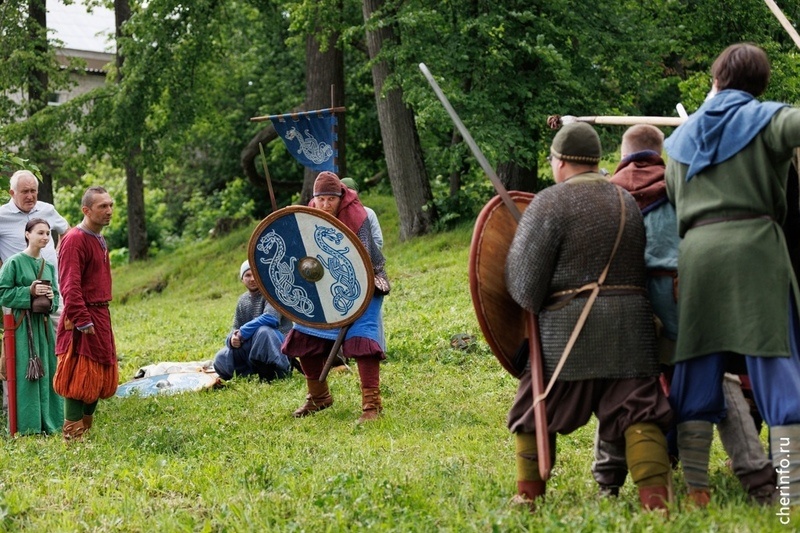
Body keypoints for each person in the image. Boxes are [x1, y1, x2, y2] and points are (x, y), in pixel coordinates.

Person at [593, 124, 776, 505]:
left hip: (632, 313)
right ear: (660, 153)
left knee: (621, 388)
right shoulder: (685, 188)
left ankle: (607, 483)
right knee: (719, 383)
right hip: (689, 307)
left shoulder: (606, 196)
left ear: (623, 154)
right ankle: (759, 481)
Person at [504, 122, 673, 512]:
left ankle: (528, 495)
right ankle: (656, 501)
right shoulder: (624, 200)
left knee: (534, 403)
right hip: (631, 328)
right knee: (639, 410)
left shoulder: (550, 202)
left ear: (560, 161)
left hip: (569, 330)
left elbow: (525, 287)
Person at [664, 42, 800, 507]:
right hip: (754, 253)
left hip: (698, 255)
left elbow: (675, 197)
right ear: (759, 84)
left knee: (698, 368)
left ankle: (696, 492)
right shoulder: (768, 119)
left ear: (717, 78)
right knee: (775, 364)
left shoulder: (678, 140)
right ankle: (792, 497)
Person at [281, 171, 390, 423]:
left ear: (340, 197)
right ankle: (319, 397)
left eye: (331, 199)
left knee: (363, 340)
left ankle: (371, 404)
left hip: (365, 284)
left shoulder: (359, 216)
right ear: (314, 199)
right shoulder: (307, 217)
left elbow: (370, 257)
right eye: (321, 200)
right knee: (304, 334)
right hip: (321, 286)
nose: (326, 205)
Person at [0, 170, 69, 415]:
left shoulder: (47, 209)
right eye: (25, 192)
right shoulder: (2, 216)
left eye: (33, 191)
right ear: (12, 193)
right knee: (17, 352)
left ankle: (59, 404)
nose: (30, 196)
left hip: (51, 294)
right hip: (17, 295)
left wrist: (58, 255)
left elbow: (66, 230)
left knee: (58, 344)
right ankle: (15, 411)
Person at [52, 186, 118, 441]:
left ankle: (85, 430)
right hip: (82, 316)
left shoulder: (99, 238)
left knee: (99, 373)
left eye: (110, 205)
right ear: (86, 210)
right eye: (102, 206)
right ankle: (73, 436)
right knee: (78, 375)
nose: (109, 211)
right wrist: (81, 319)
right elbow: (69, 284)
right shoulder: (74, 239)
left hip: (100, 313)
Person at [0, 218, 62, 435]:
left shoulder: (49, 266)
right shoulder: (14, 263)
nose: (45, 237)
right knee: (26, 375)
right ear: (27, 234)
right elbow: (3, 294)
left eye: (48, 234)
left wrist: (51, 297)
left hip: (43, 328)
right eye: (40, 233)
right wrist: (29, 291)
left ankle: (50, 422)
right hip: (22, 328)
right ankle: (28, 427)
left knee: (49, 370)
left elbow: (55, 301)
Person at [213, 260, 294, 382]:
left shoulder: (272, 293)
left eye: (255, 274)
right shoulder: (243, 300)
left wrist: (242, 332)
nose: (252, 279)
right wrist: (233, 338)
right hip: (254, 345)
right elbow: (236, 326)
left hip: (278, 343)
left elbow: (271, 318)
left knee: (264, 332)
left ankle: (279, 371)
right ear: (242, 279)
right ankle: (249, 373)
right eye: (247, 275)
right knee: (220, 358)